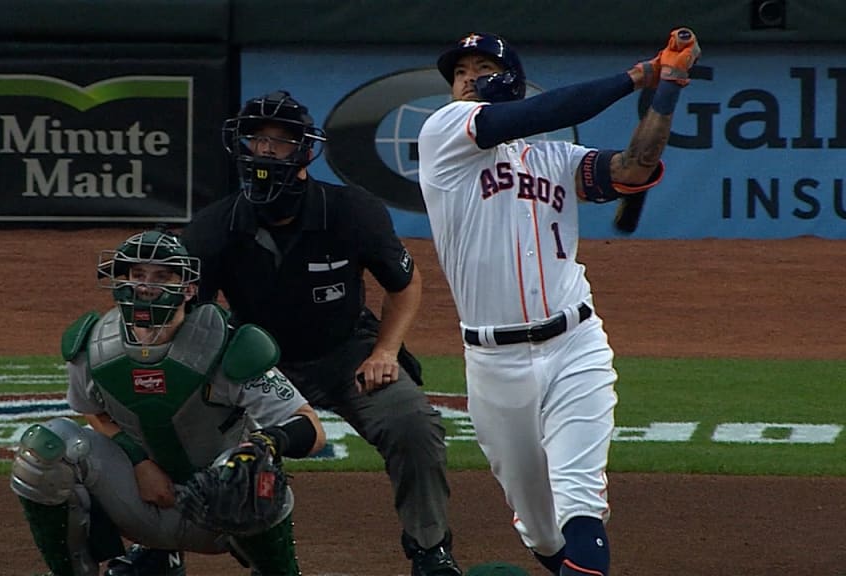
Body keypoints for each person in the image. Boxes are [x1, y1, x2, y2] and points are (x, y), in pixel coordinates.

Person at [417, 29, 701, 576]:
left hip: (576, 344)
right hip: (493, 363)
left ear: (511, 80)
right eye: (459, 72)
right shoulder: (443, 133)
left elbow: (633, 168)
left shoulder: (553, 158)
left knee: (579, 502)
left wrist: (670, 87)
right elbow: (526, 116)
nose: (468, 79)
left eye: (481, 67)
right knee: (539, 527)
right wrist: (637, 77)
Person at [179, 90, 463, 576]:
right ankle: (163, 542)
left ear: (303, 150)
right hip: (257, 362)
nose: (266, 150)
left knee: (413, 424)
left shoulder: (352, 211)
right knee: (181, 421)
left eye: (280, 141)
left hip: (345, 353)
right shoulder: (213, 227)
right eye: (256, 139)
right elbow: (191, 317)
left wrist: (386, 350)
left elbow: (405, 282)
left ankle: (430, 548)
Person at [9, 229, 326, 576]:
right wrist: (139, 461)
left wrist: (267, 443)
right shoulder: (91, 346)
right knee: (46, 449)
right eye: (137, 274)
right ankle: (117, 564)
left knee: (251, 470)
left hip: (220, 511)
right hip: (141, 503)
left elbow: (310, 426)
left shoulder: (229, 347)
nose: (145, 286)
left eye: (161, 276)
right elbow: (91, 411)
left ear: (188, 289)